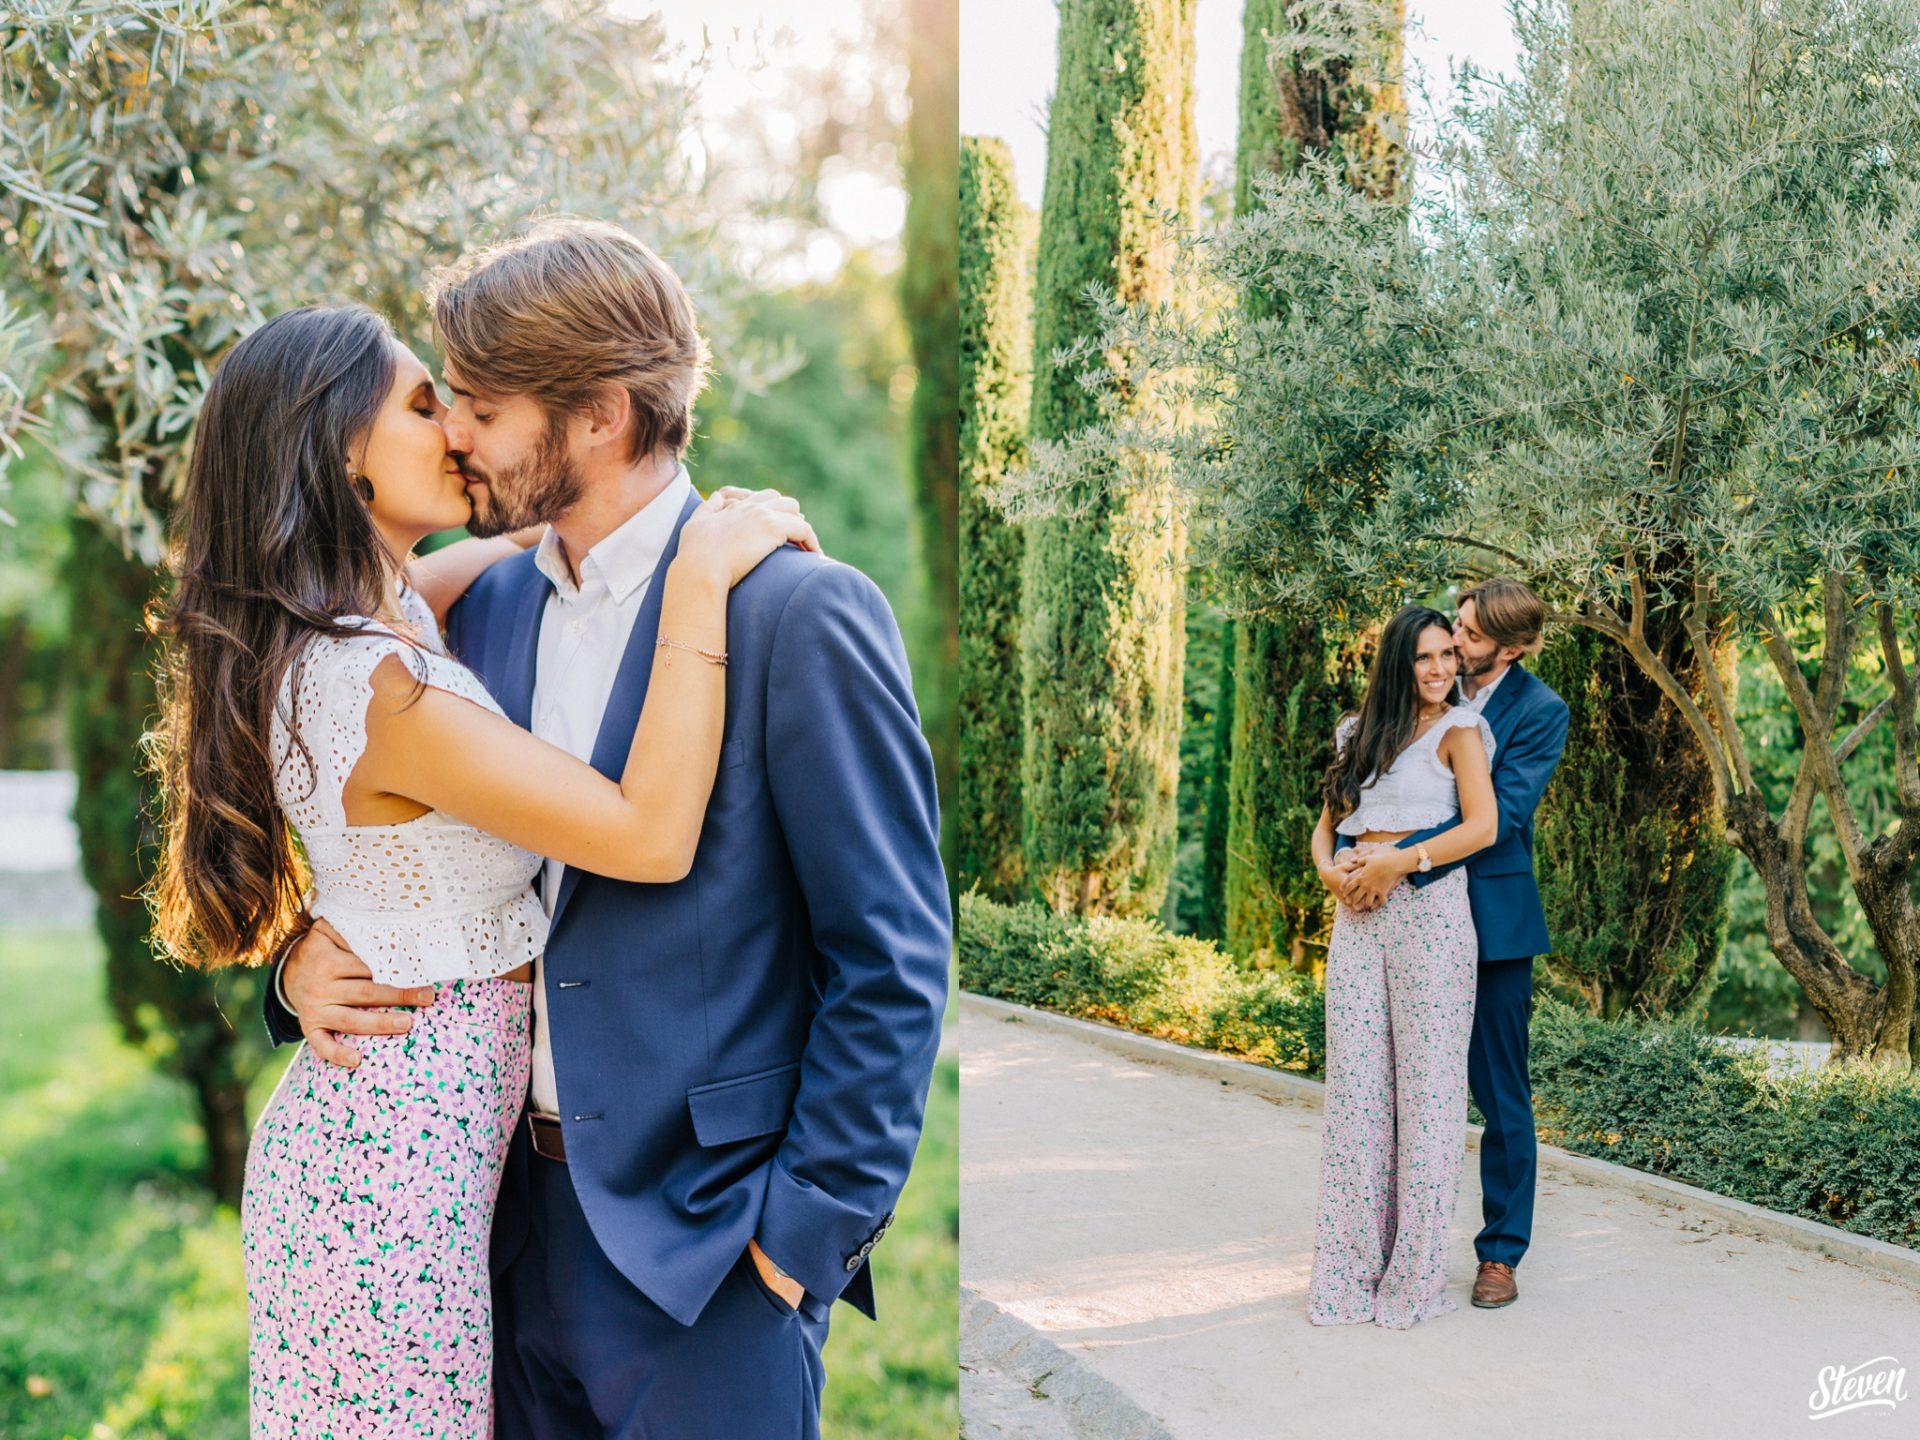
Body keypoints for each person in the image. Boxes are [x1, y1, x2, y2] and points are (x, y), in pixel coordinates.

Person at [264, 219, 952, 1440]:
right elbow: (370, 827)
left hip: (711, 1258)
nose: (456, 432)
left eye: (478, 401)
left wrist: (802, 1239)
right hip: (494, 1238)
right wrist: (300, 961)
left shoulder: (795, 612)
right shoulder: (470, 617)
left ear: (601, 416)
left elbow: (893, 956)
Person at [147, 298, 815, 1437]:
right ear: (338, 455)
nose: (457, 429)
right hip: (386, 1185)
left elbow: (511, 552)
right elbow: (648, 835)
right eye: (423, 404)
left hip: (403, 1158)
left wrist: (600, 511)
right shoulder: (383, 685)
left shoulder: (374, 615)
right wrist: (697, 581)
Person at [1329, 577, 1570, 1311]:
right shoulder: (1421, 694)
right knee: (1385, 1087)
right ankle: (1385, 1246)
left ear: (1515, 647)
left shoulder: (1539, 711)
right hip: (1389, 909)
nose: (1457, 645)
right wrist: (1363, 858)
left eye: (1469, 636)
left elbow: (1502, 815)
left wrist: (1395, 858)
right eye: (1454, 628)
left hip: (1489, 916)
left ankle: (1501, 1253)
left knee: (1499, 1093)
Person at [1306, 604, 1497, 1328]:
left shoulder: (1461, 731)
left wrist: (1400, 861)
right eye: (1426, 657)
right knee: (1356, 1096)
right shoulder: (1357, 735)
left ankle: (1412, 1283)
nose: (1442, 669)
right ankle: (1348, 1277)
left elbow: (1482, 826)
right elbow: (1326, 829)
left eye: (1450, 654)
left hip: (1433, 918)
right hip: (1356, 918)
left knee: (1429, 1097)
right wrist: (1336, 876)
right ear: (1397, 662)